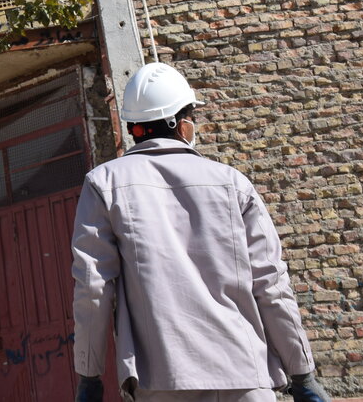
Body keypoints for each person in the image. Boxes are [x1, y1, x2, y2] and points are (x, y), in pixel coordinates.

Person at [70, 62, 332, 402]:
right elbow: (271, 285)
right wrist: (303, 374)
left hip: (160, 378)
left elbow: (93, 288)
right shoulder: (234, 184)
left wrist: (89, 377)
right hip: (244, 375)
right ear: (182, 124)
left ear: (133, 127)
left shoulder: (103, 185)